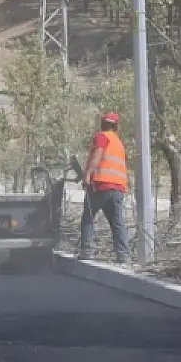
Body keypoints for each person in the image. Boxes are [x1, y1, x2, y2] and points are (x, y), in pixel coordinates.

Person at [78, 112, 130, 264]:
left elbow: (98, 154)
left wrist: (87, 175)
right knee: (117, 222)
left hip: (100, 184)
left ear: (103, 124)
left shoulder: (102, 136)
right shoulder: (119, 143)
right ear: (116, 126)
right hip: (118, 188)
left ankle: (87, 250)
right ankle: (123, 255)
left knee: (88, 216)